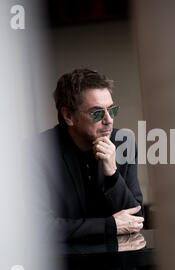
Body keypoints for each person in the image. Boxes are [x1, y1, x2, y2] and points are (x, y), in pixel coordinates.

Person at [28, 68, 144, 242]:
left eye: (111, 110)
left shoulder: (123, 142)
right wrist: (109, 225)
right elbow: (40, 228)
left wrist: (112, 175)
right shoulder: (36, 151)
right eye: (97, 113)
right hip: (67, 265)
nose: (109, 120)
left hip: (118, 264)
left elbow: (136, 219)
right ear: (68, 116)